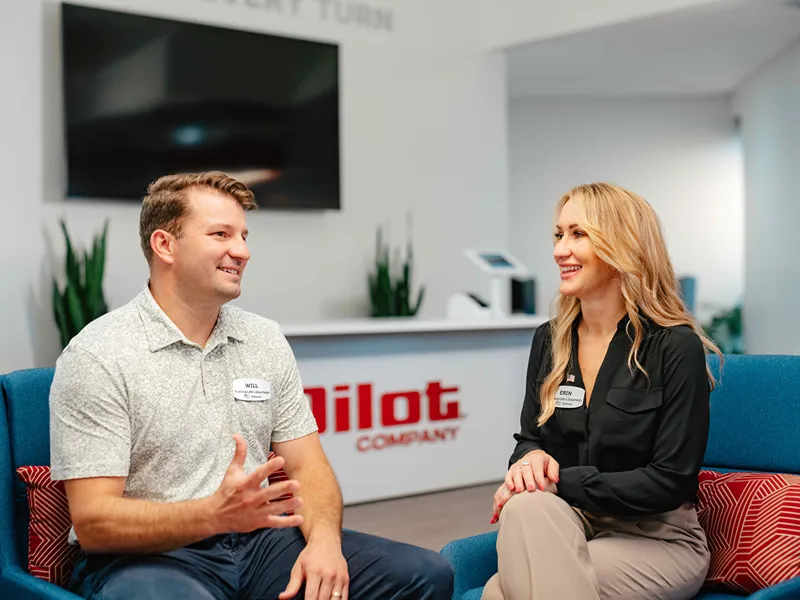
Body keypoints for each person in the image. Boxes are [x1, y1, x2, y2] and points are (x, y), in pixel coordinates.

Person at [49, 171, 454, 600]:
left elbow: (309, 467)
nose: (241, 251)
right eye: (221, 234)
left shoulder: (264, 339)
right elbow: (95, 523)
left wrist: (324, 544)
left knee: (425, 573)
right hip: (149, 558)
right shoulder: (98, 354)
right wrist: (213, 515)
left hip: (260, 544)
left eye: (243, 235)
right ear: (165, 245)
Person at [482, 182, 721, 600]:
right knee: (526, 504)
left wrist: (557, 482)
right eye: (559, 235)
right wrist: (530, 460)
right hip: (570, 522)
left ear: (621, 246)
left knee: (501, 591)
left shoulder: (672, 345)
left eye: (578, 234)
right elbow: (529, 439)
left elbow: (670, 480)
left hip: (656, 538)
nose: (560, 250)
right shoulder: (550, 339)